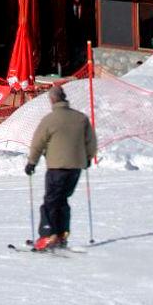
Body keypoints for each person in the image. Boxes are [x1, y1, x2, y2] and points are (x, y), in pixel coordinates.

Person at [23, 85, 98, 251]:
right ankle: (62, 233)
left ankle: (48, 235)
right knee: (62, 200)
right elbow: (91, 142)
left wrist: (31, 162)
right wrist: (88, 158)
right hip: (75, 168)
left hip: (57, 167)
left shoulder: (50, 119)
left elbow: (38, 143)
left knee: (50, 201)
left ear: (52, 100)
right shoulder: (81, 118)